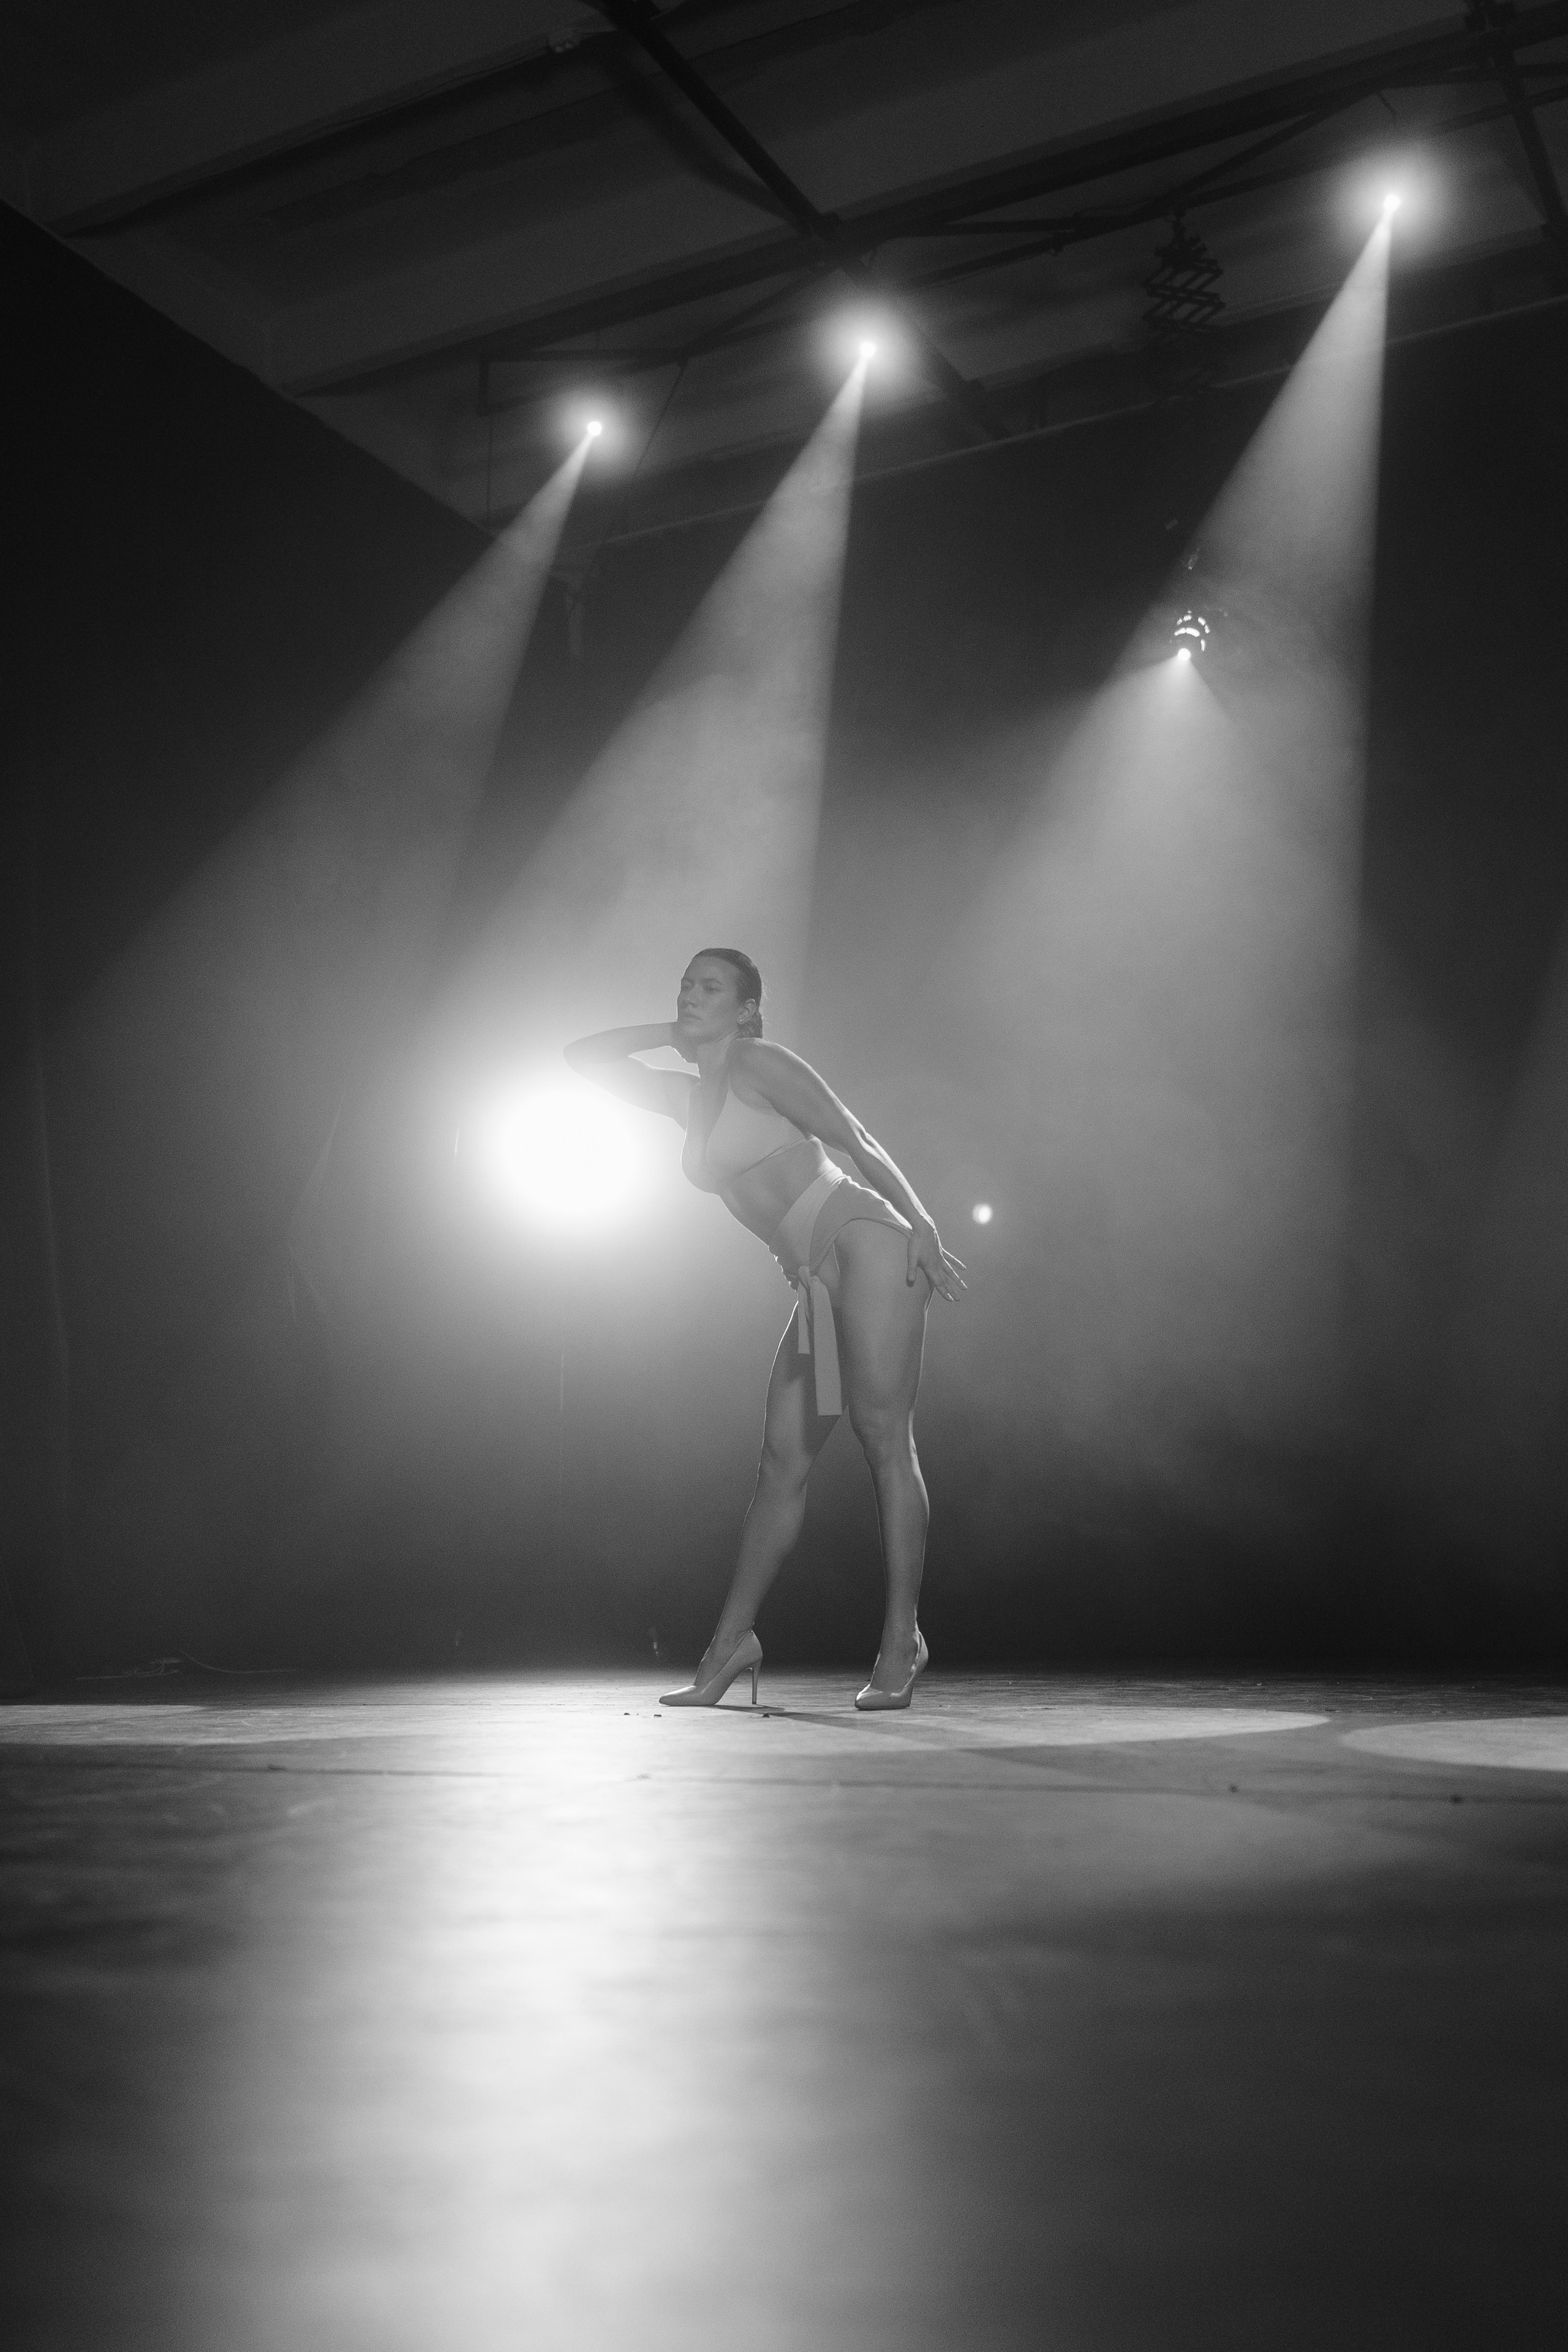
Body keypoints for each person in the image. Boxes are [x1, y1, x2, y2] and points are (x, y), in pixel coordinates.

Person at [564, 948, 965, 1711]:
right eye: (685, 984)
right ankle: (728, 1647)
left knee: (883, 1436)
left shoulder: (758, 1061)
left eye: (709, 987)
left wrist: (921, 1221)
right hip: (811, 1275)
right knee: (781, 1461)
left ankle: (899, 1641)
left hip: (864, 1239)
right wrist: (670, 1030)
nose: (689, 993)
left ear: (747, 1008)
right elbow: (579, 1057)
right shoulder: (689, 1096)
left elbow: (852, 1134)